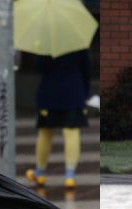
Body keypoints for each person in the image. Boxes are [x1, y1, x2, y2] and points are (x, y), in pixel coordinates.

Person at [25, 50, 91, 189]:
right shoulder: (78, 42)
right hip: (74, 93)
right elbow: (86, 70)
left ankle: (39, 173)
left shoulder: (46, 43)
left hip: (49, 94)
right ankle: (70, 176)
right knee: (72, 133)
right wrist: (84, 93)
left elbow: (40, 67)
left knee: (45, 133)